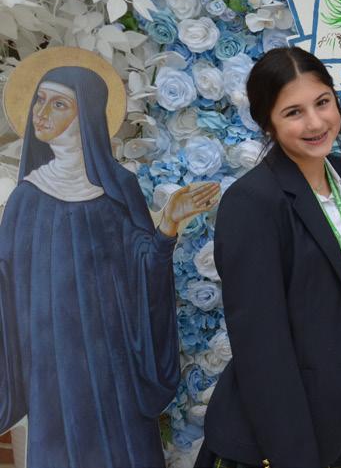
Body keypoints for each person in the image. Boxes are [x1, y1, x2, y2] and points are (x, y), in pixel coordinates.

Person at [0, 62, 218, 468]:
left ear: (86, 113)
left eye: (59, 104)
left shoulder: (119, 188)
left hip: (113, 363)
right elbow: (8, 289)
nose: (42, 113)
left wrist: (167, 226)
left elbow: (143, 272)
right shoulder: (26, 199)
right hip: (53, 365)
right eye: (39, 100)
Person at [196, 48, 341, 467]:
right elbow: (261, 346)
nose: (315, 123)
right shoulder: (253, 202)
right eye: (294, 112)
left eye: (322, 102)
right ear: (268, 123)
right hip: (277, 433)